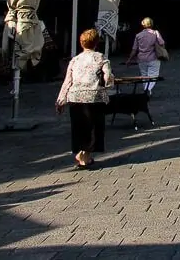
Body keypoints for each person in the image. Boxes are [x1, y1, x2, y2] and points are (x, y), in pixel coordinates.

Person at [56, 28, 114, 169]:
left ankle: (82, 153)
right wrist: (109, 85)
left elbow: (67, 81)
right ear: (96, 43)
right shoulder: (101, 58)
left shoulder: (75, 60)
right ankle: (85, 157)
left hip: (75, 96)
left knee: (79, 126)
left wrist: (60, 100)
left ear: (81, 43)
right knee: (94, 127)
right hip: (94, 96)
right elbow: (107, 78)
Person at [126, 17, 165, 95]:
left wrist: (129, 59)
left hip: (141, 59)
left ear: (143, 25)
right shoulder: (155, 33)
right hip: (153, 58)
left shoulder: (138, 35)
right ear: (151, 24)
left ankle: (146, 90)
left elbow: (134, 49)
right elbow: (162, 43)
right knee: (153, 75)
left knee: (144, 76)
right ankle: (148, 89)